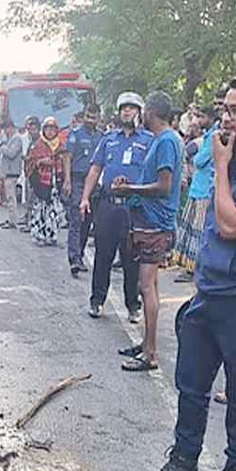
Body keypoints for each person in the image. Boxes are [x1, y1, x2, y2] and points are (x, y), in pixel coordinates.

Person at [157, 75, 236, 471]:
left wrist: (223, 166)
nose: (225, 120)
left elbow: (231, 226)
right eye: (223, 110)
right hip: (208, 295)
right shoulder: (230, 161)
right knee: (191, 389)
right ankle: (183, 461)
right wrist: (225, 166)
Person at [111, 92, 183, 372]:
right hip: (150, 220)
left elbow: (163, 186)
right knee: (150, 287)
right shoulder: (164, 140)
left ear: (150, 111)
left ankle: (151, 352)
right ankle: (146, 343)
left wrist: (129, 189)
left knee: (147, 286)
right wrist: (131, 184)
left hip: (156, 223)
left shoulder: (165, 141)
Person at [80, 92, 153, 321]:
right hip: (108, 205)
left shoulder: (149, 141)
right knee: (103, 255)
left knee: (131, 258)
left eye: (131, 108)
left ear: (139, 113)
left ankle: (133, 305)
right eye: (123, 108)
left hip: (134, 208)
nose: (126, 112)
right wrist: (85, 197)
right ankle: (97, 301)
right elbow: (95, 169)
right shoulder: (109, 139)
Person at [172, 106, 214, 283]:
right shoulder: (207, 135)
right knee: (191, 228)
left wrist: (195, 158)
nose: (196, 119)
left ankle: (193, 269)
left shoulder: (213, 137)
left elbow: (200, 160)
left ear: (210, 118)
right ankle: (189, 267)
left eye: (200, 116)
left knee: (197, 230)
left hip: (204, 189)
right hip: (198, 187)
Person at [63, 103, 102, 276]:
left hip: (94, 183)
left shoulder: (102, 137)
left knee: (87, 221)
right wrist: (67, 180)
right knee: (76, 219)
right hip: (77, 179)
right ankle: (74, 259)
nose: (90, 120)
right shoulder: (76, 134)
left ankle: (79, 253)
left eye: (93, 117)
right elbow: (67, 157)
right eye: (88, 116)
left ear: (98, 118)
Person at [26, 116, 67, 246]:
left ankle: (52, 235)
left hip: (55, 182)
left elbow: (66, 162)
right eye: (48, 129)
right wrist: (41, 162)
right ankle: (40, 235)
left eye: (53, 129)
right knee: (41, 210)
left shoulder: (61, 145)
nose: (50, 132)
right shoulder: (38, 145)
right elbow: (30, 163)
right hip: (41, 183)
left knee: (54, 210)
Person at [0, 119, 24, 230]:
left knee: (11, 197)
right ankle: (11, 218)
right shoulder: (11, 139)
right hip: (7, 172)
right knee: (9, 197)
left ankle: (13, 221)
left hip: (12, 172)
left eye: (6, 129)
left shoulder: (17, 139)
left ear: (11, 128)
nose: (6, 131)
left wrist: (3, 146)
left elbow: (11, 153)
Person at [20, 115, 41, 232]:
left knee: (33, 201)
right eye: (30, 129)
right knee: (29, 200)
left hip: (36, 176)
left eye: (34, 129)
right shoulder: (31, 142)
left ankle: (32, 224)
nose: (32, 132)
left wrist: (28, 158)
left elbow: (36, 158)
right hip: (29, 174)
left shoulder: (39, 143)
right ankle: (28, 220)